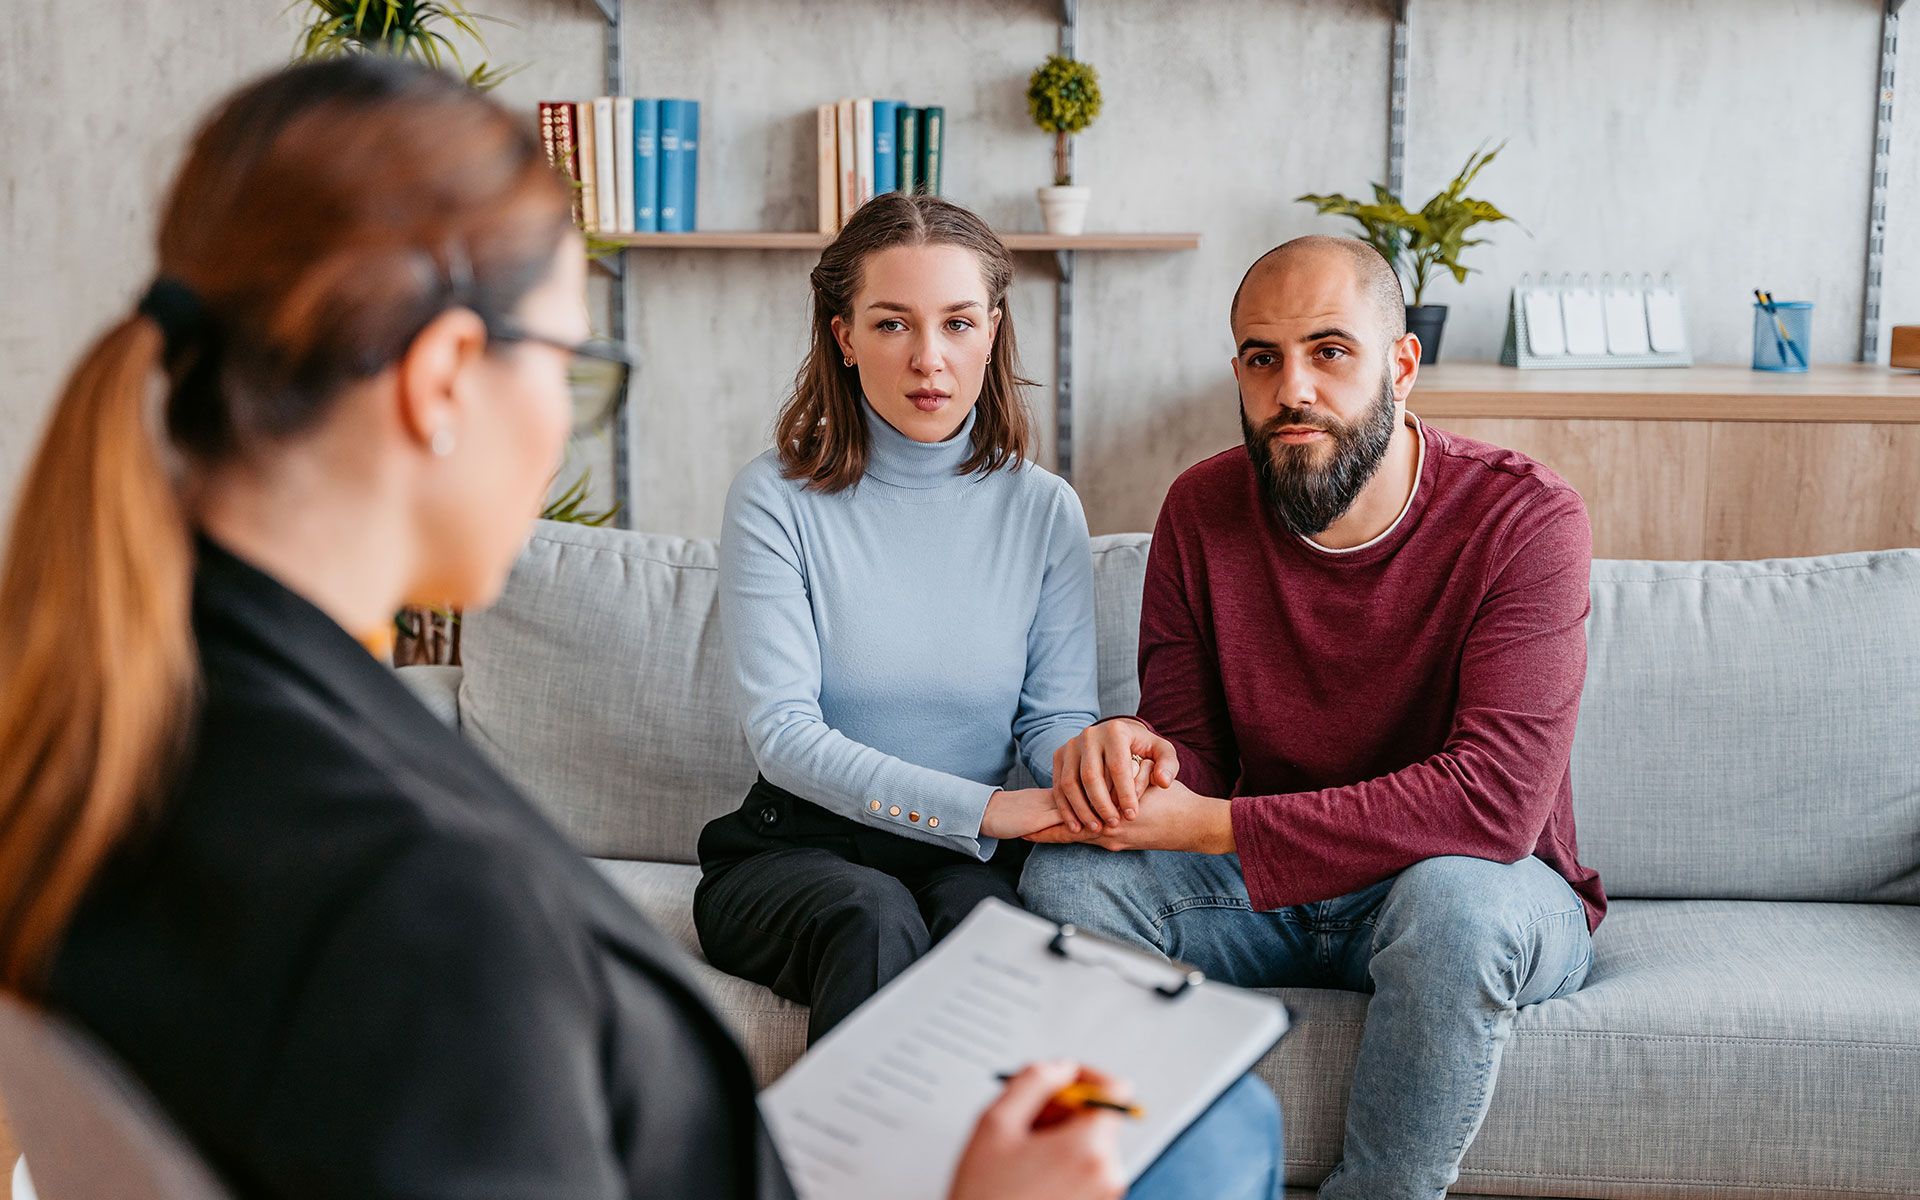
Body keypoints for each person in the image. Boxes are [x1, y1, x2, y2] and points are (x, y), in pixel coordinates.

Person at [0, 57, 1273, 1200]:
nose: (563, 417)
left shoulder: (151, 741)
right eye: (569, 364)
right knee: (1223, 1133)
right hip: (815, 886)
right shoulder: (411, 892)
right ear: (445, 380)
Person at [1020, 235, 1607, 1200]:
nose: (1293, 388)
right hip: (1273, 896)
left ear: (1402, 364)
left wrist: (1210, 823)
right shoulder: (1202, 508)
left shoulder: (1525, 519)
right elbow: (1197, 754)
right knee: (1069, 879)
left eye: (1330, 351)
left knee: (1456, 909)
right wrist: (1140, 760)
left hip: (1477, 890)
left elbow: (1494, 806)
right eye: (1263, 357)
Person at [694, 192, 1099, 1044]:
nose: (929, 360)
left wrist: (1091, 771)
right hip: (794, 852)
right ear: (843, 337)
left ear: (992, 330)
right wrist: (988, 811)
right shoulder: (774, 499)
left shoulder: (1045, 510)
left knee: (1004, 945)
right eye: (891, 325)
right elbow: (784, 734)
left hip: (965, 864)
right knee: (874, 917)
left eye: (956, 324)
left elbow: (1054, 718)